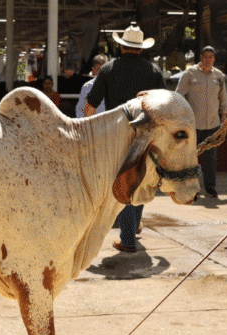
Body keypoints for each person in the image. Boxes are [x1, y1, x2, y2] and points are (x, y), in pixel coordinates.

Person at [84, 23, 166, 253]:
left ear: (121, 47)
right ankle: (130, 231)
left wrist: (88, 131)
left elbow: (90, 104)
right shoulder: (153, 71)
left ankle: (127, 236)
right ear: (140, 49)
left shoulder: (108, 69)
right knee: (137, 181)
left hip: (115, 135)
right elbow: (163, 105)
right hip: (145, 135)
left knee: (120, 183)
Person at [175, 46, 227, 197]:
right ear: (201, 57)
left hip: (213, 124)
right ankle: (192, 188)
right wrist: (182, 116)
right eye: (206, 57)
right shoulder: (189, 74)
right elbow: (179, 95)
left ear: (214, 59)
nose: (208, 60)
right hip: (193, 124)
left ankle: (210, 187)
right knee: (191, 157)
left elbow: (223, 98)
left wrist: (224, 116)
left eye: (211, 57)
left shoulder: (219, 76)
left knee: (211, 158)